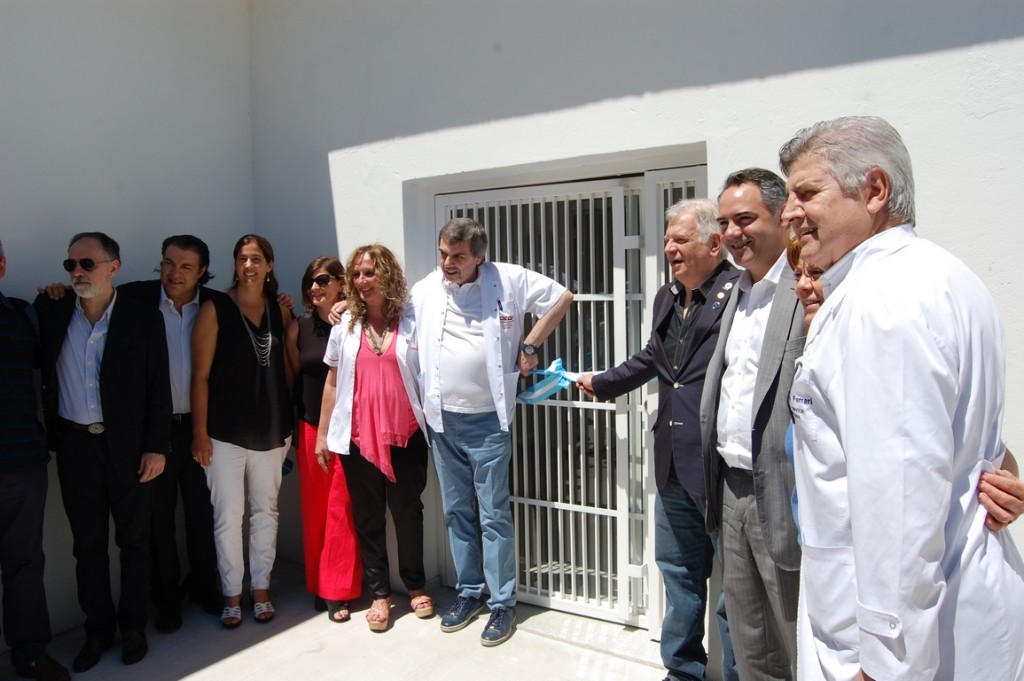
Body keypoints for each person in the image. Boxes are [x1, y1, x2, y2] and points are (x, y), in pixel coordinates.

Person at [780, 115, 1024, 680]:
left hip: (900, 645)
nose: (790, 212)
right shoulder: (942, 277)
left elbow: (900, 494)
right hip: (938, 616)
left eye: (806, 193)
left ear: (874, 190)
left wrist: (888, 663)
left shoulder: (883, 302)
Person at [576, 199, 738, 681]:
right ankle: (684, 670)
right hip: (670, 460)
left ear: (714, 243)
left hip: (719, 467)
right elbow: (656, 357)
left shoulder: (741, 294)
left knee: (735, 590)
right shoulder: (667, 296)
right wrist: (603, 382)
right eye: (667, 239)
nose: (669, 248)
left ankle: (736, 673)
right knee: (679, 575)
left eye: (680, 240)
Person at [411, 217, 574, 647]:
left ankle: (502, 601)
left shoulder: (508, 279)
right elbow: (394, 322)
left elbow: (562, 297)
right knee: (456, 512)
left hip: (487, 421)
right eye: (444, 254)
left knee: (494, 514)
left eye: (458, 257)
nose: (448, 263)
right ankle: (469, 592)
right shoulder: (425, 289)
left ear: (478, 256)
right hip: (442, 420)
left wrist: (532, 343)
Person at [35, 232, 171, 672]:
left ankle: (133, 627)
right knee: (88, 547)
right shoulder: (53, 313)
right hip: (76, 448)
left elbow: (157, 389)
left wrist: (156, 447)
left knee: (134, 542)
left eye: (87, 264)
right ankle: (98, 630)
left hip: (130, 450)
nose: (77, 272)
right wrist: (49, 294)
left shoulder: (141, 320)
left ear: (113, 267)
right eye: (70, 265)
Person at [699, 168, 803, 680]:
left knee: (799, 638)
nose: (733, 233)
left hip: (785, 495)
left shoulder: (809, 290)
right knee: (750, 641)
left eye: (745, 219)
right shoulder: (733, 292)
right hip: (731, 491)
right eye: (725, 222)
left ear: (783, 218)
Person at [316, 244, 432, 632]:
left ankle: (415, 586)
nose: (363, 281)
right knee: (368, 517)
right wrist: (322, 436)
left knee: (407, 512)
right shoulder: (344, 325)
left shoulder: (413, 320)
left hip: (406, 434)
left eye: (370, 273)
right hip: (357, 436)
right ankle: (379, 594)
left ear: (387, 276)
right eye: (358, 275)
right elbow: (332, 381)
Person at [115, 235, 222, 632]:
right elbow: (89, 294)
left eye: (185, 267)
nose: (174, 273)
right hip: (154, 433)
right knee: (157, 520)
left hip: (200, 428)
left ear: (202, 272)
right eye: (168, 264)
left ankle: (204, 587)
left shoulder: (215, 305)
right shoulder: (134, 300)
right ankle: (166, 597)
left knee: (201, 512)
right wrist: (55, 292)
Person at [191, 234, 293, 628]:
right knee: (228, 516)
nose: (248, 266)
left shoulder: (278, 310)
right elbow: (199, 376)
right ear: (234, 265)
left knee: (265, 512)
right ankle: (232, 594)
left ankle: (261, 588)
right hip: (223, 433)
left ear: (269, 265)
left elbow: (286, 370)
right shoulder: (214, 308)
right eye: (241, 259)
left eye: (256, 259)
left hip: (272, 429)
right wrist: (199, 433)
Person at [0, 241, 71, 681]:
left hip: (22, 464)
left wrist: (56, 300)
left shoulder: (22, 315)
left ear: (2, 265)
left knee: (25, 563)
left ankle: (29, 654)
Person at [285, 257, 361, 619]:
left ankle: (338, 590)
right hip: (310, 426)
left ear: (341, 284)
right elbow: (291, 382)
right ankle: (319, 584)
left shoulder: (354, 322)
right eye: (310, 282)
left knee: (342, 510)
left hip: (346, 429)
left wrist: (349, 309)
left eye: (323, 280)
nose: (315, 288)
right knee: (315, 511)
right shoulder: (296, 329)